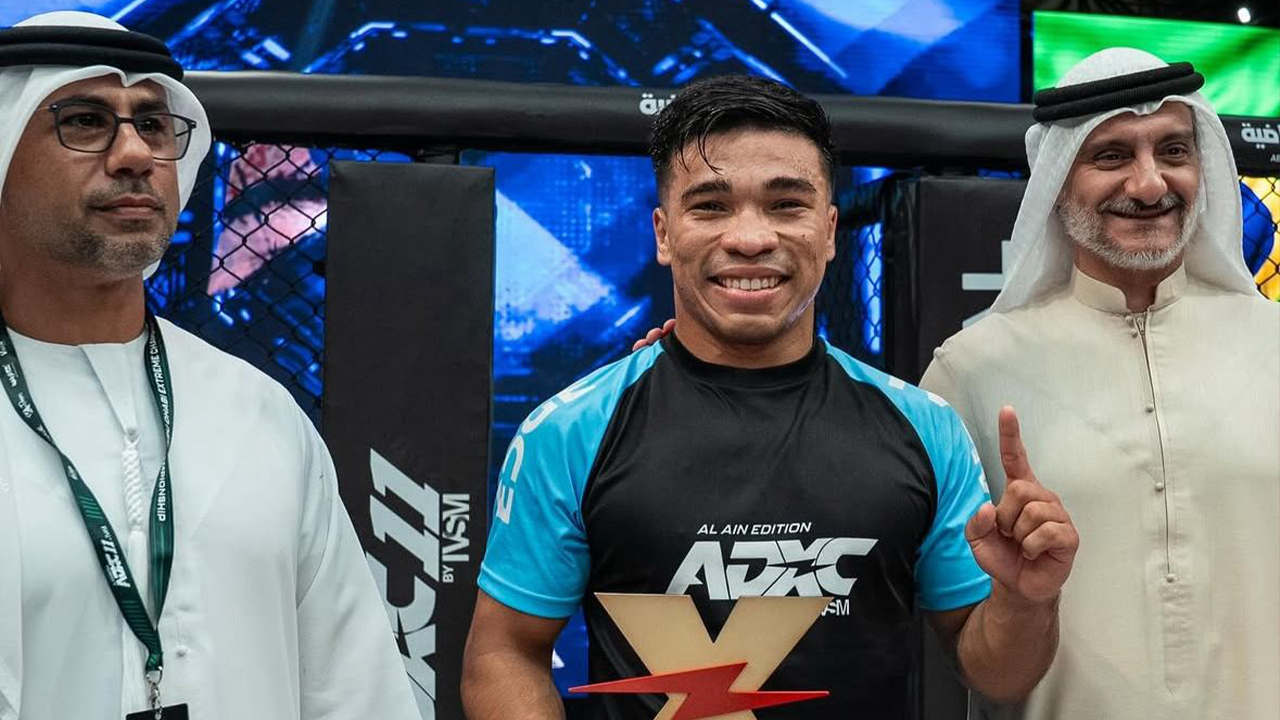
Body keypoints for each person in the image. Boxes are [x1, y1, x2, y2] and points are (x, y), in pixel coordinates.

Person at [462, 74, 1079, 720]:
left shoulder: (925, 428)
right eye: (711, 206)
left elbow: (998, 674)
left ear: (830, 230)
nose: (751, 238)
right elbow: (504, 653)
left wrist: (1025, 599)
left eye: (786, 205)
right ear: (664, 234)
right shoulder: (570, 432)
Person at [0, 12, 420, 720]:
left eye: (153, 125)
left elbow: (355, 690)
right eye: (85, 122)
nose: (134, 154)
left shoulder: (258, 413)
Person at [919, 48, 1279, 719]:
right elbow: (966, 651)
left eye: (1173, 150)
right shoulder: (970, 371)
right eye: (1111, 156)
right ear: (1058, 179)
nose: (1149, 184)